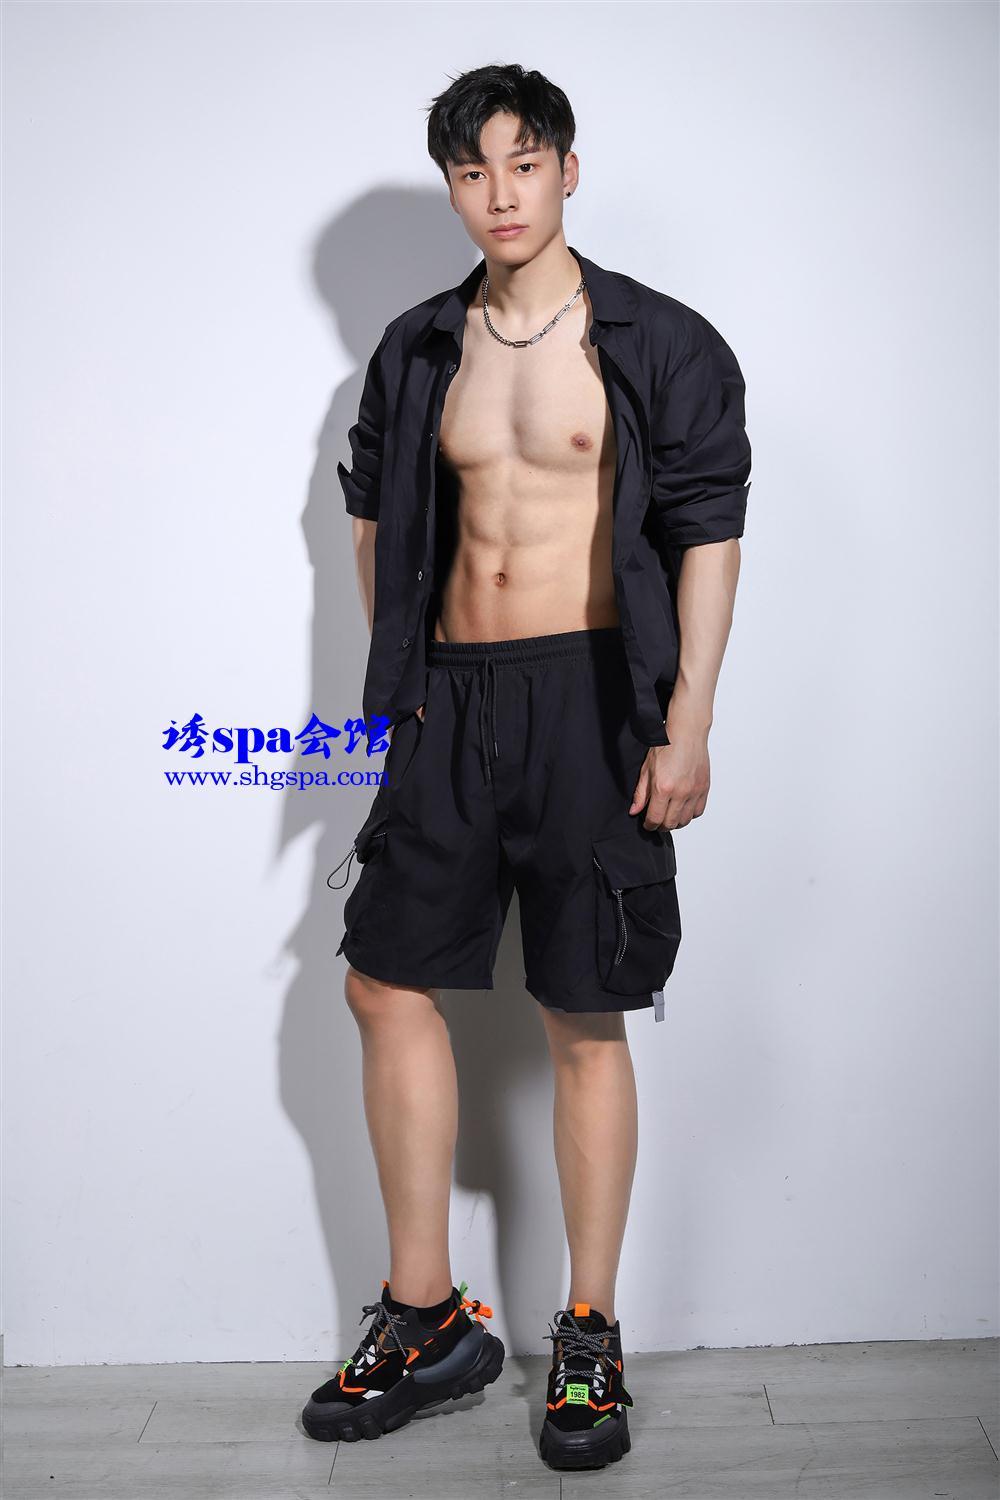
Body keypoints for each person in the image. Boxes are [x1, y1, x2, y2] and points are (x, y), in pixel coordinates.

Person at [302, 62, 752, 1472]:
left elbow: (708, 534)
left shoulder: (656, 341)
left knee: (582, 1009)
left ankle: (590, 1335)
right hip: (445, 698)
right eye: (471, 170)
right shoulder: (418, 347)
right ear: (453, 185)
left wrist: (687, 722)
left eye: (523, 162)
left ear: (566, 168)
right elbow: (376, 515)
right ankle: (427, 1315)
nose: (498, 193)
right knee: (383, 982)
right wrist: (399, 676)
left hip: (592, 698)